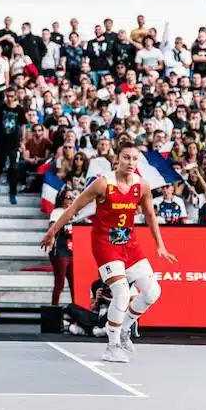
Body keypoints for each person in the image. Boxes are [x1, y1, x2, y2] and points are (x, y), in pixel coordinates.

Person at [41, 137, 177, 363]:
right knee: (122, 293)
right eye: (126, 157)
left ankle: (123, 329)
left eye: (134, 158)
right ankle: (112, 346)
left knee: (153, 292)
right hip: (105, 243)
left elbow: (151, 215)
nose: (131, 162)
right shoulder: (103, 183)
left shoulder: (141, 185)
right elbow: (75, 208)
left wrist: (160, 245)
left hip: (129, 243)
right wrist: (53, 231)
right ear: (117, 160)